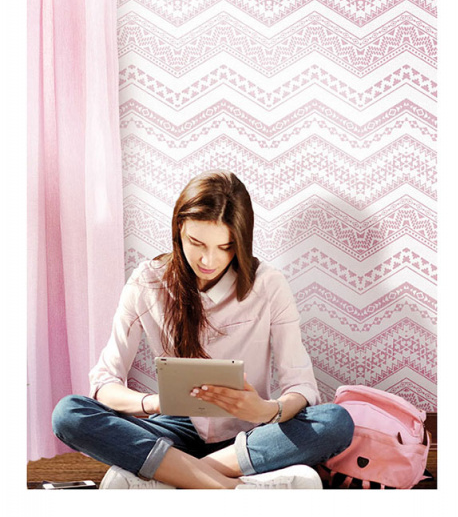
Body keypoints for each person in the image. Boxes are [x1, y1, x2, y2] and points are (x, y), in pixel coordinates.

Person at [52, 170, 354, 489]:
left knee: (335, 422)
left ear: (240, 242)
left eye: (225, 247)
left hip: (248, 437)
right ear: (179, 229)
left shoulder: (268, 284)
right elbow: (104, 382)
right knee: (69, 414)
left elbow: (301, 385)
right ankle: (229, 488)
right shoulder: (147, 282)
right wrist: (156, 403)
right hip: (173, 431)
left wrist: (266, 409)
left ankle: (179, 475)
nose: (209, 260)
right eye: (197, 243)